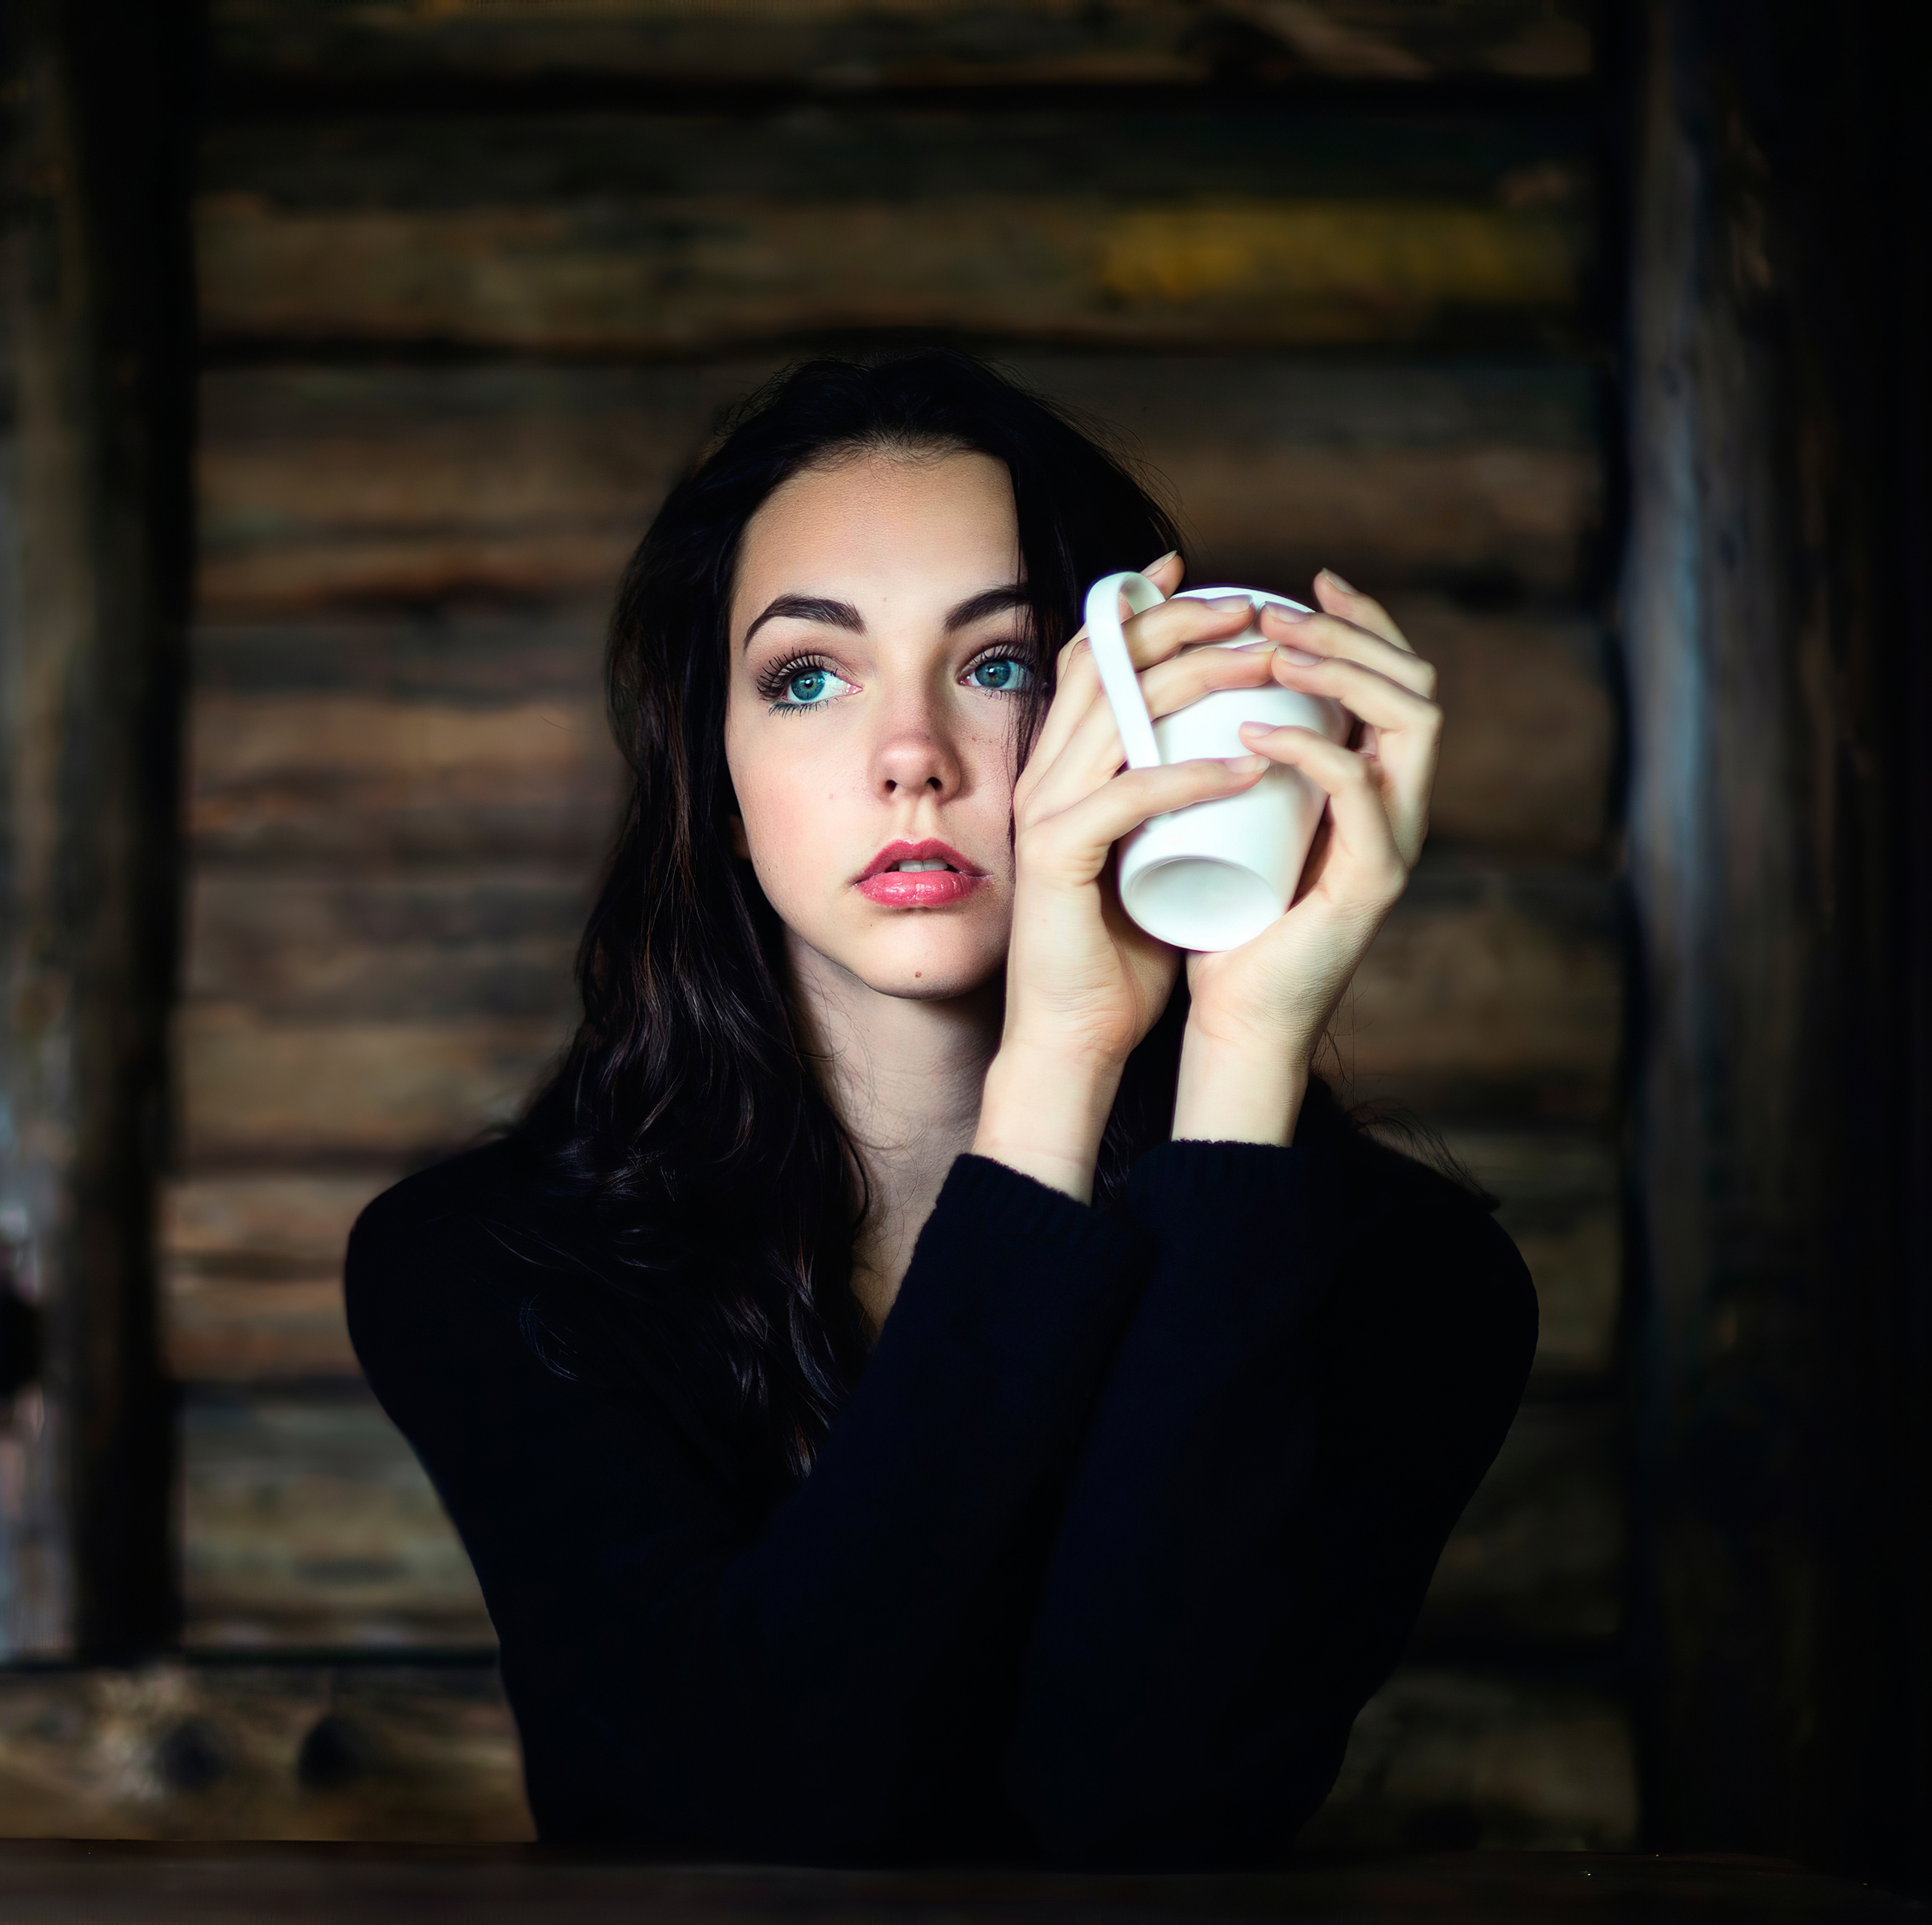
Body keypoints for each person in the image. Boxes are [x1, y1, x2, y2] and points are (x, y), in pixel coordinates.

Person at [342, 349, 1536, 1866]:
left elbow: (1146, 1813)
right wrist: (1048, 1067)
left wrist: (1241, 1054)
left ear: (1147, 720)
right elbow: (764, 1805)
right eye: (809, 676)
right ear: (712, 766)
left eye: (1005, 664)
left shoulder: (1412, 1287)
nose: (912, 756)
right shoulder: (483, 1267)